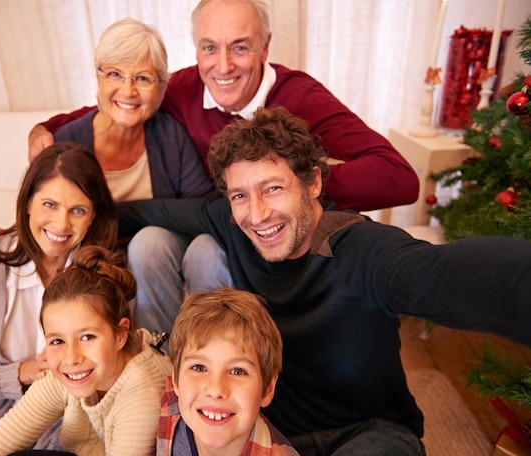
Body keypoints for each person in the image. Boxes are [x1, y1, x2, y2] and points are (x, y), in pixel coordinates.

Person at [114, 106, 531, 455]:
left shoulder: (365, 249)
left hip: (368, 434)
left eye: (273, 188)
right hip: (271, 434)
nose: (256, 214)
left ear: (313, 182)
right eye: (240, 195)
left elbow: (444, 274)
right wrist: (73, 217)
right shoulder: (233, 222)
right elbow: (151, 212)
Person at [27, 0, 420, 341]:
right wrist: (49, 127)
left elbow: (399, 177)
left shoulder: (299, 96)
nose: (223, 65)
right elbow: (126, 101)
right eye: (209, 48)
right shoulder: (188, 86)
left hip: (269, 238)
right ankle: (164, 362)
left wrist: (289, 187)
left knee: (204, 251)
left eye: (241, 47)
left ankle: (229, 357)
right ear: (196, 50)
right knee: (159, 244)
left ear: (265, 47)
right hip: (204, 224)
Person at [0, 142, 118, 456]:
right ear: (28, 202)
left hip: (52, 428)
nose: (61, 224)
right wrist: (23, 372)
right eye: (50, 204)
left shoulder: (103, 276)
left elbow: (107, 379)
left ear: (93, 217)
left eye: (78, 210)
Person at [0, 245, 173, 455]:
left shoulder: (143, 398)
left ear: (120, 335)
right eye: (57, 341)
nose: (71, 358)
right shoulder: (68, 372)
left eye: (87, 337)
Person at [53, 17, 217, 203]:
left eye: (142, 78)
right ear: (98, 78)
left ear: (161, 86)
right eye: (114, 74)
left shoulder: (170, 136)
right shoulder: (66, 142)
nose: (128, 91)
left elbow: (200, 205)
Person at [159, 288, 298, 456]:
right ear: (175, 379)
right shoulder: (170, 408)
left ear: (268, 388)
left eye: (238, 371)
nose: (216, 390)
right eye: (199, 368)